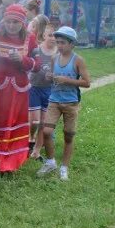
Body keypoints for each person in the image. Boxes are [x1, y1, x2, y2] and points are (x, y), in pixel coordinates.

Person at [0, 4, 39, 173]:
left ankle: (10, 162)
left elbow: (38, 65)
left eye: (16, 22)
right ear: (3, 21)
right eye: (8, 22)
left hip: (18, 90)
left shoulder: (30, 39)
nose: (11, 26)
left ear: (23, 23)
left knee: (13, 122)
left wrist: (22, 60)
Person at [36, 27, 91, 181]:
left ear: (72, 44)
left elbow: (87, 82)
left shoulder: (78, 60)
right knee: (46, 131)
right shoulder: (54, 58)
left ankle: (64, 167)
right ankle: (51, 161)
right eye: (58, 42)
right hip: (54, 100)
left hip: (71, 103)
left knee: (68, 136)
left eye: (63, 43)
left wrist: (66, 80)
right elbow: (53, 78)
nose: (60, 45)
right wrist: (49, 76)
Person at [28, 16, 56, 159]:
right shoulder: (36, 50)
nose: (53, 38)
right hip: (34, 88)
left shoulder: (58, 54)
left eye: (55, 36)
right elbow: (28, 65)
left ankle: (37, 150)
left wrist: (54, 77)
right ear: (44, 35)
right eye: (50, 35)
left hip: (49, 91)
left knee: (43, 123)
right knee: (34, 121)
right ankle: (30, 138)